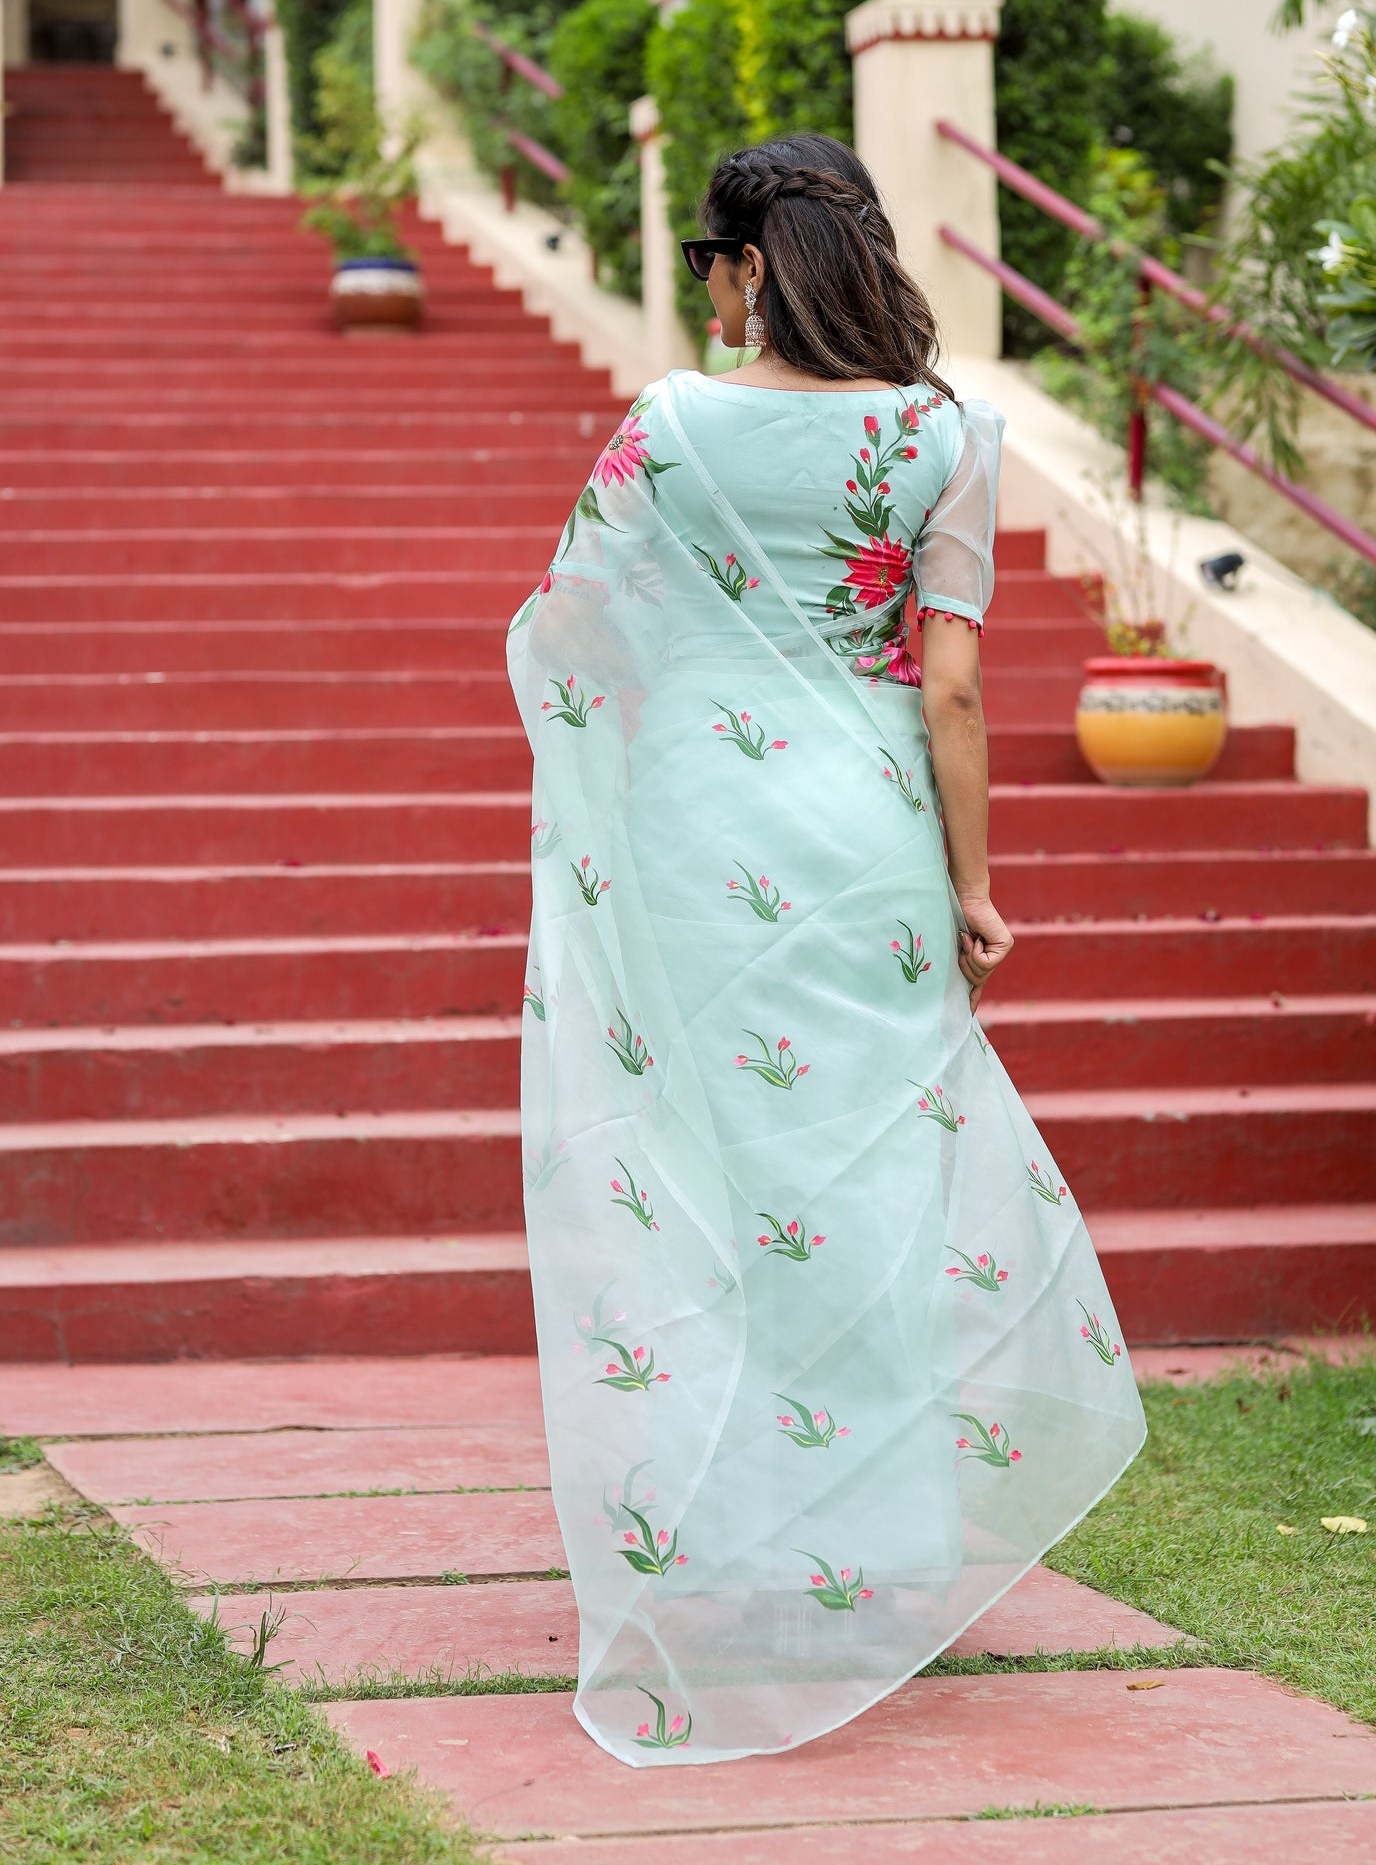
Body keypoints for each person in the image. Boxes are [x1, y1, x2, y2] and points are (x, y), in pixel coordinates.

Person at [506, 132, 1145, 1768]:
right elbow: (945, 685)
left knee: (720, 1168)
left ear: (735, 267)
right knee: (868, 1172)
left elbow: (575, 630)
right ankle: (878, 1547)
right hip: (861, 834)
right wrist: (975, 883)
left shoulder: (665, 424)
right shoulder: (941, 432)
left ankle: (738, 1537)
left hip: (692, 822)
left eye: (713, 271)